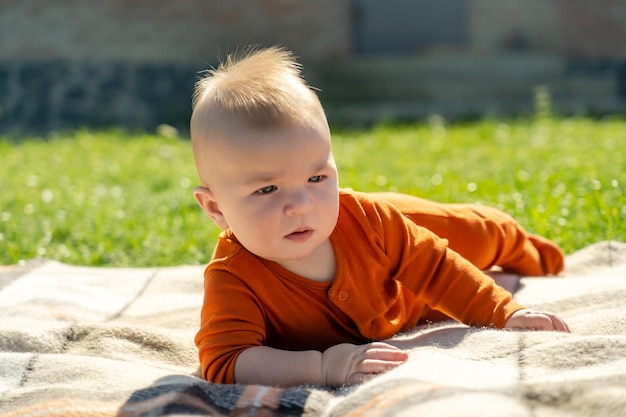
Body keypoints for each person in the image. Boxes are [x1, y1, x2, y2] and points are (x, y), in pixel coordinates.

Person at [190, 46, 570, 388]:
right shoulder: (233, 278)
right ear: (216, 208)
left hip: (401, 229)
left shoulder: (371, 221)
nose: (302, 205)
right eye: (267, 189)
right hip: (411, 305)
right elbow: (225, 361)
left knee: (483, 236)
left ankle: (529, 249)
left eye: (317, 177)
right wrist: (321, 366)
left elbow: (438, 269)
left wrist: (506, 312)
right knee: (444, 297)